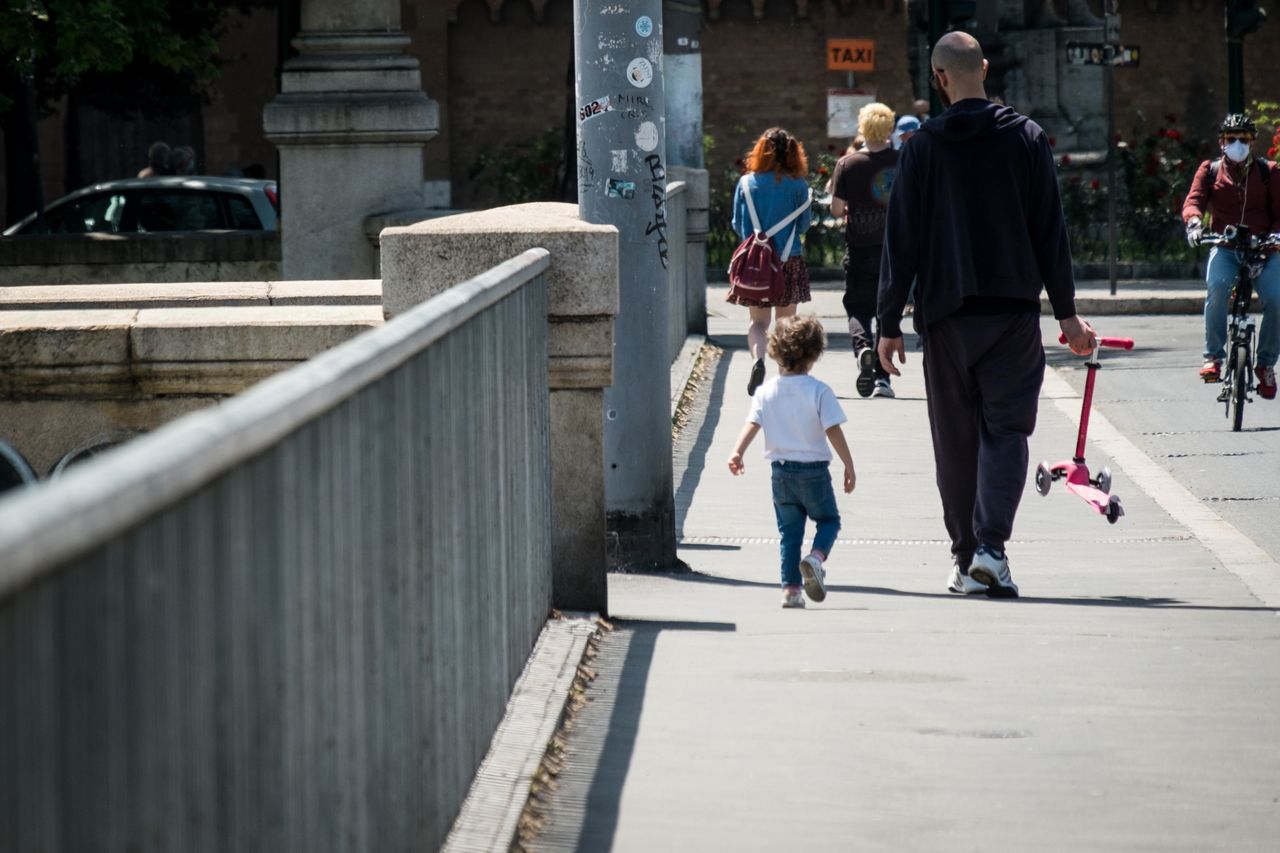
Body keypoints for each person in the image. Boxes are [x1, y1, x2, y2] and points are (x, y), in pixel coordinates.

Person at [877, 31, 1095, 598]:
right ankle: (992, 550)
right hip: (1012, 314)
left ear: (939, 78)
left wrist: (887, 323)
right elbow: (1051, 230)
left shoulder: (921, 147)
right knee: (1006, 431)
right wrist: (1067, 315)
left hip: (946, 316)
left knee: (955, 441)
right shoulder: (1025, 138)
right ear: (986, 69)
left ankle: (963, 557)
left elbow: (900, 241)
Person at [727, 315, 857, 608]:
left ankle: (790, 591)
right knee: (829, 520)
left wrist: (737, 452)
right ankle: (816, 557)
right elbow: (833, 430)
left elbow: (752, 423)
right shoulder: (819, 391)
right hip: (814, 472)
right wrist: (848, 464)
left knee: (789, 535)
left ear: (774, 351)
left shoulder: (766, 392)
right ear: (814, 355)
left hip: (781, 473)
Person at [1182, 113, 1280, 399]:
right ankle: (1213, 357)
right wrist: (1194, 223)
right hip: (1225, 247)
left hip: (1263, 249)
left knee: (1276, 298)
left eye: (1244, 139)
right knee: (1217, 287)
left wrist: (1275, 236)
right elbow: (1194, 200)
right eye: (1231, 139)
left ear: (1253, 143)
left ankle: (1265, 365)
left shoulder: (1269, 171)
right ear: (1221, 142)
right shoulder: (1210, 170)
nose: (1237, 144)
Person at [728, 127, 813, 396]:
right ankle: (785, 377)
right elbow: (803, 225)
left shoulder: (746, 184)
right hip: (789, 260)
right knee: (786, 324)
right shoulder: (799, 185)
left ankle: (758, 361)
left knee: (758, 324)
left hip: (757, 265)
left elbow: (738, 225)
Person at [830, 101, 899, 398]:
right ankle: (883, 379)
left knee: (858, 307)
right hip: (894, 251)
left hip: (859, 249)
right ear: (890, 128)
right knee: (888, 311)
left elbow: (836, 209)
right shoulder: (903, 160)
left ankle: (863, 350)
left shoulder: (847, 164)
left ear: (862, 127)